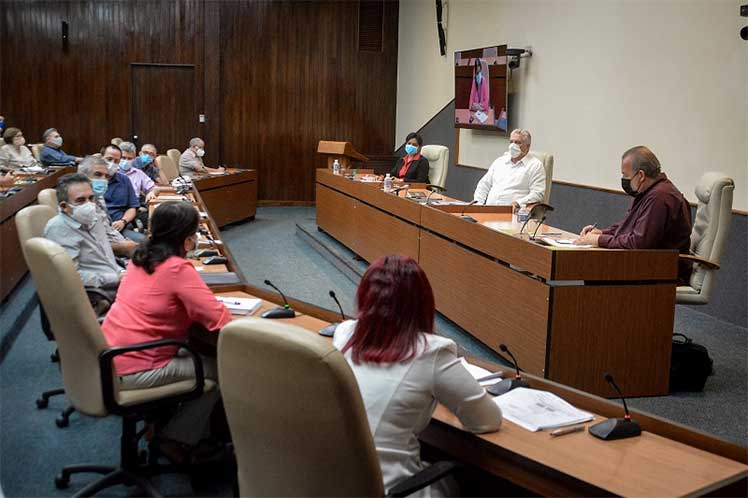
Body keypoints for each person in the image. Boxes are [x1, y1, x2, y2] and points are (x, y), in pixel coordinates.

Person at [333, 255, 502, 497]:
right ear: (422, 304)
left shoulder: (345, 334)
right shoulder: (432, 350)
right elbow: (487, 420)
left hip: (335, 482)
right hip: (391, 489)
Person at [101, 201, 232, 459]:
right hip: (139, 365)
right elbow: (221, 322)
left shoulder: (141, 257)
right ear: (187, 239)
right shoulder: (176, 268)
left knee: (195, 350)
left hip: (112, 354)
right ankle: (175, 439)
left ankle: (158, 423)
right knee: (222, 370)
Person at [575, 145, 693, 283]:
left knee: (598, 269)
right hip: (649, 265)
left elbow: (638, 243)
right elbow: (630, 226)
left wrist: (597, 240)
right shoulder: (650, 192)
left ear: (641, 175)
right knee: (596, 268)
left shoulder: (659, 197)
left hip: (660, 272)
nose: (623, 179)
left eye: (625, 175)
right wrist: (601, 233)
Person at [43, 173, 125, 302]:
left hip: (117, 278)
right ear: (64, 206)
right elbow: (71, 277)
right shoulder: (58, 229)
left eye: (91, 198)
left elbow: (106, 256)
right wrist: (116, 278)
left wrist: (121, 272)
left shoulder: (94, 217)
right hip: (100, 292)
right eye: (81, 200)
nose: (89, 205)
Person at [77, 156, 140, 254]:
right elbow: (86, 246)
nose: (103, 180)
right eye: (98, 175)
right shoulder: (75, 205)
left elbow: (108, 231)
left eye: (106, 176)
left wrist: (124, 242)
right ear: (82, 176)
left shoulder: (98, 197)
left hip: (117, 236)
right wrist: (122, 246)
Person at [473, 128, 545, 207]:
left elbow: (538, 194)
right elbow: (484, 184)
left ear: (527, 147)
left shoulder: (535, 165)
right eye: (511, 142)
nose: (513, 146)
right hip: (490, 211)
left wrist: (518, 203)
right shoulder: (500, 161)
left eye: (518, 142)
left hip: (514, 213)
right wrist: (478, 204)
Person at [101, 144, 143, 241]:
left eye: (116, 161)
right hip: (96, 229)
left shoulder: (124, 180)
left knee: (144, 243)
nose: (112, 163)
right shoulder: (89, 180)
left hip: (119, 227)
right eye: (109, 159)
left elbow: (132, 207)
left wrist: (123, 221)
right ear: (101, 158)